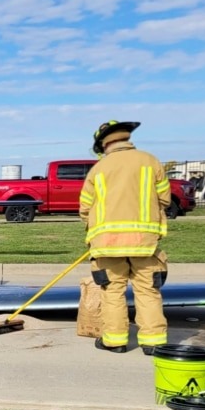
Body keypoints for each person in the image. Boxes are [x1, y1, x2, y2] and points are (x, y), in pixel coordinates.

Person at [79, 120, 170, 355]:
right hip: (145, 243)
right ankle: (153, 342)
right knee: (148, 291)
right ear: (127, 139)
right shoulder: (150, 161)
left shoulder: (99, 169)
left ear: (102, 144)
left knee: (112, 291)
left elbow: (85, 207)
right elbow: (165, 199)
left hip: (107, 244)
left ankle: (115, 340)